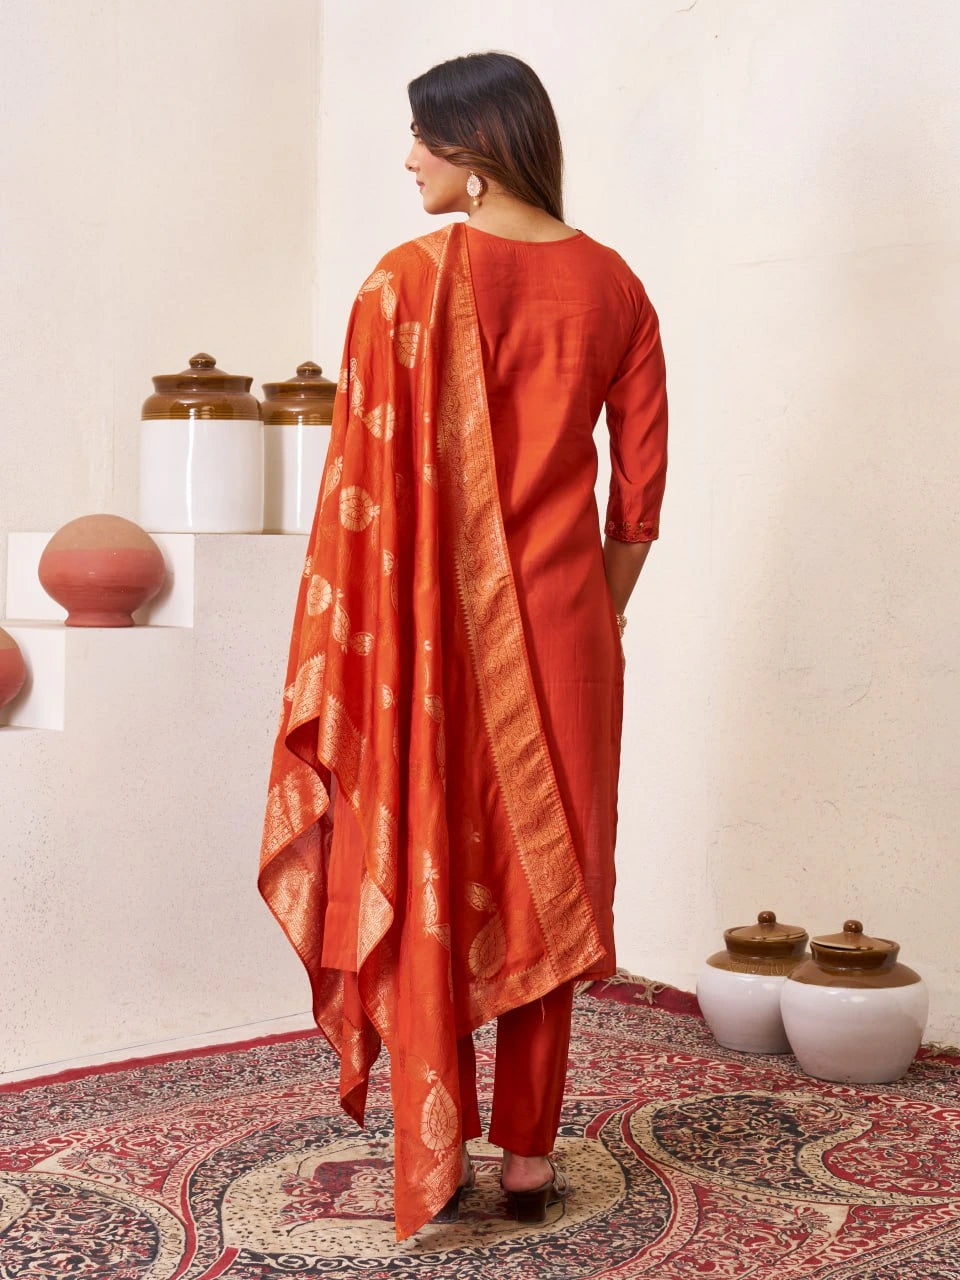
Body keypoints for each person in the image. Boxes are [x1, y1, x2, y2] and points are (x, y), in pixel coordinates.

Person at [259, 51, 668, 1242]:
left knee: (434, 853)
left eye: (423, 141)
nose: (407, 160)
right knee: (551, 883)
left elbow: (360, 504)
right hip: (571, 630)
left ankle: (436, 1144)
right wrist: (592, 612)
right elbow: (637, 506)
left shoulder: (401, 286)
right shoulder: (617, 287)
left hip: (429, 639)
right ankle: (530, 1155)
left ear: (477, 155)